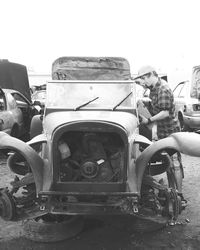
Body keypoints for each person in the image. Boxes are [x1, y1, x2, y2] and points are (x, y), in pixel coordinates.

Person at [134, 65, 186, 206]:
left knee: (174, 163)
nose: (144, 82)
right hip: (163, 132)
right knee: (168, 162)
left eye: (145, 78)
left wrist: (149, 120)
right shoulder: (153, 89)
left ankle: (179, 196)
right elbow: (154, 107)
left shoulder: (163, 89)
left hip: (171, 132)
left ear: (152, 75)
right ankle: (172, 191)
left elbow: (165, 113)